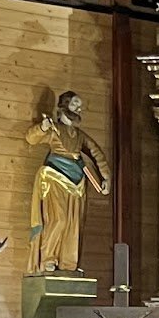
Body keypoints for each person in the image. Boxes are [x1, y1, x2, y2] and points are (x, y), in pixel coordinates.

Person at [25, 90, 109, 274]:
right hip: (55, 177)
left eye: (80, 105)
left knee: (73, 225)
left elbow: (96, 153)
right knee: (59, 220)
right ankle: (48, 259)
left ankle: (68, 264)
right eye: (75, 104)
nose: (79, 108)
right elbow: (31, 138)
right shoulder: (54, 129)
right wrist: (43, 128)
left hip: (77, 182)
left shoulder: (80, 135)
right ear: (64, 106)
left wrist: (105, 177)